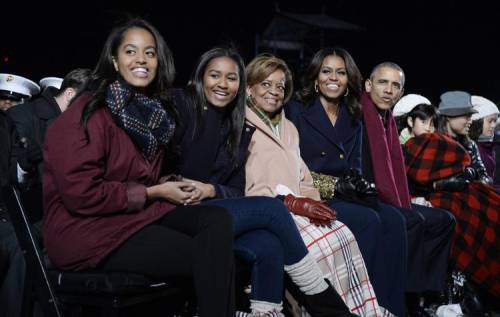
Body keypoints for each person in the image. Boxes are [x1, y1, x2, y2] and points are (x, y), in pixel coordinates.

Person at [42, 19, 235, 316]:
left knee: (216, 219)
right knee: (207, 257)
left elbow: (138, 174)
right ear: (115, 61)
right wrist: (154, 191)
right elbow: (81, 194)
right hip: (85, 232)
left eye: (150, 53)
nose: (142, 60)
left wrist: (172, 183)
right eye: (131, 51)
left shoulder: (150, 113)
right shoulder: (88, 112)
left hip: (130, 219)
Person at [168, 46, 353, 317]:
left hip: (216, 208)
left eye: (231, 78)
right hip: (178, 209)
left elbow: (234, 188)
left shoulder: (237, 125)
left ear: (239, 86)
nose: (222, 84)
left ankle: (267, 313)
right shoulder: (183, 105)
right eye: (215, 76)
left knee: (269, 245)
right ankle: (331, 308)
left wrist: (211, 189)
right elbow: (164, 165)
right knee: (273, 210)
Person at [244, 53, 384, 317]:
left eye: (280, 86)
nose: (274, 92)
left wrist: (314, 201)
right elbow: (249, 182)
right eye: (266, 84)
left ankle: (363, 307)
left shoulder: (287, 127)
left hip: (305, 202)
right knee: (327, 243)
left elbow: (304, 176)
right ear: (249, 87)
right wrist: (300, 202)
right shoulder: (244, 124)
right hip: (271, 207)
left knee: (342, 232)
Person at [285, 48, 407, 317]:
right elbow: (291, 169)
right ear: (316, 77)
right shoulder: (296, 110)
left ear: (348, 78)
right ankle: (366, 307)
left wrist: (359, 184)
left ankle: (394, 308)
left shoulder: (353, 115)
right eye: (326, 71)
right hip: (312, 195)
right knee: (369, 221)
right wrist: (337, 186)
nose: (334, 78)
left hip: (345, 194)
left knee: (396, 220)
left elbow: (354, 167)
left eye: (341, 72)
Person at [360, 62, 455, 313]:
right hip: (365, 196)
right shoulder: (359, 114)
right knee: (413, 220)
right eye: (382, 83)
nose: (388, 90)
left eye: (395, 85)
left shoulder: (387, 120)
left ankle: (426, 292)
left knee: (444, 220)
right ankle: (407, 297)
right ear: (368, 85)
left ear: (401, 92)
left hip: (392, 196)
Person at [7, 68, 91, 221]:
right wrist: (23, 165)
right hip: (28, 220)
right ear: (70, 94)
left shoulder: (82, 127)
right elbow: (8, 176)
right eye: (88, 104)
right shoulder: (22, 115)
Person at [0, 111, 25, 317]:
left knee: (24, 245)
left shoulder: (4, 122)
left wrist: (24, 166)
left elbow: (10, 175)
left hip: (4, 215)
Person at [469, 95, 499, 189]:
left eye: (495, 121)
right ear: (476, 121)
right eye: (490, 121)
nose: (493, 125)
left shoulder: (490, 147)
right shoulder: (471, 149)